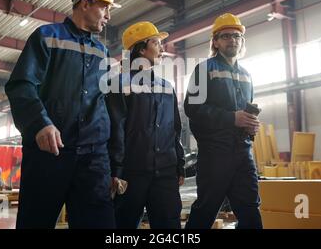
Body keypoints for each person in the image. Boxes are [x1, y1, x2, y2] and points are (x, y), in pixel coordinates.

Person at [5, 0, 122, 229]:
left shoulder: (102, 52)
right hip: (50, 154)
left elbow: (104, 105)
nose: (108, 16)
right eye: (104, 7)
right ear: (84, 4)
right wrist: (40, 124)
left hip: (93, 159)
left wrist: (113, 162)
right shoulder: (47, 37)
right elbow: (21, 85)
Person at [184, 13, 262, 229]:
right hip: (215, 154)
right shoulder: (204, 70)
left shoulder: (247, 75)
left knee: (250, 209)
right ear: (216, 42)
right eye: (226, 36)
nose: (232, 40)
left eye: (237, 36)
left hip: (243, 153)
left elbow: (246, 111)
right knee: (207, 209)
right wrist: (232, 118)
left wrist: (250, 125)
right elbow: (192, 108)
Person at [106, 21, 185, 229]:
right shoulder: (119, 84)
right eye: (156, 43)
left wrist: (179, 165)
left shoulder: (167, 87)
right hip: (132, 174)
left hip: (166, 173)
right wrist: (116, 171)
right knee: (124, 226)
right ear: (141, 49)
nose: (162, 48)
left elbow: (175, 129)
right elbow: (115, 130)